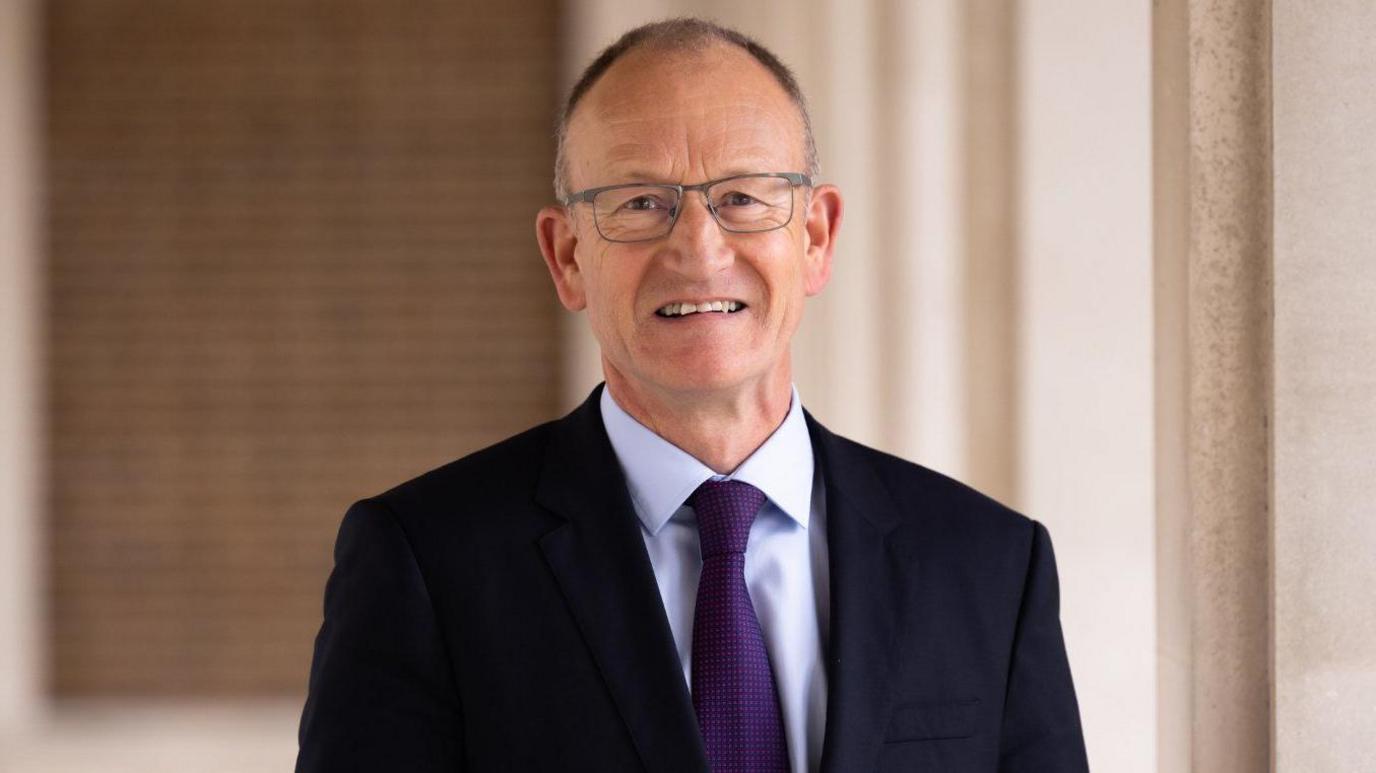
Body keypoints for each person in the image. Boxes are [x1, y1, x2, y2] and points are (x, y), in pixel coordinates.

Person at [296, 17, 1088, 773]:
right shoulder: (426, 563)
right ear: (567, 256)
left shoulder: (988, 566)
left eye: (743, 197)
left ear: (815, 237)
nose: (699, 249)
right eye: (641, 202)